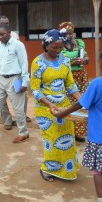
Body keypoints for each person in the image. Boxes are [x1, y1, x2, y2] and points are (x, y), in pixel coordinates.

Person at [54, 47, 102, 202]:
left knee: (98, 171)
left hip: (100, 135)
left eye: (100, 61)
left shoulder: (98, 83)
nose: (99, 64)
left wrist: (62, 113)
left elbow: (81, 104)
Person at [30, 29, 81, 181]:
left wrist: (82, 100)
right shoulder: (37, 62)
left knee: (67, 139)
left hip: (64, 107)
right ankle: (47, 169)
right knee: (52, 139)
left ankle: (67, 169)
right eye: (55, 47)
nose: (58, 50)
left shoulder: (65, 59)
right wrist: (50, 104)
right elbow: (35, 89)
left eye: (60, 47)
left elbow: (70, 84)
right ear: (45, 45)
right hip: (46, 108)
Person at [0, 24, 30, 143]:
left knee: (18, 108)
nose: (0, 37)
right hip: (1, 79)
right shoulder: (0, 46)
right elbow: (1, 63)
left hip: (15, 79)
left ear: (9, 32)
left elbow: (24, 63)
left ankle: (23, 132)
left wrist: (25, 82)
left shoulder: (18, 45)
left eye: (2, 34)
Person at [58, 21, 89, 142]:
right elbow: (58, 62)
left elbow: (87, 57)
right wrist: (72, 62)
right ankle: (67, 132)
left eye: (71, 33)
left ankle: (78, 133)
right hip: (67, 78)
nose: (69, 36)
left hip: (81, 77)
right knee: (68, 105)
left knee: (81, 103)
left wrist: (84, 60)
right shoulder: (58, 46)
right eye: (66, 34)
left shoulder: (79, 43)